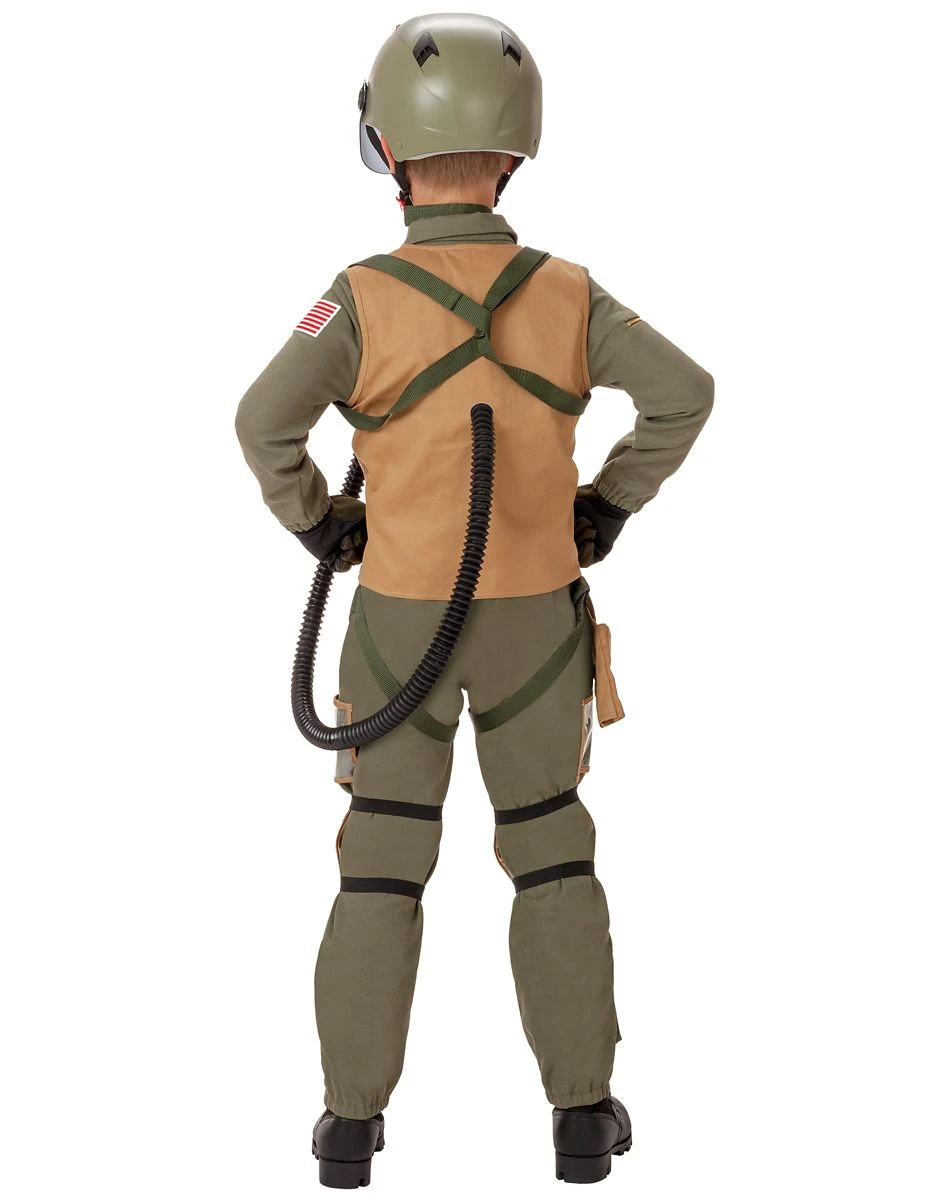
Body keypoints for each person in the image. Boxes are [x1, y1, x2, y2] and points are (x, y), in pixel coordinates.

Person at [235, 12, 713, 1188]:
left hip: (396, 623)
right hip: (535, 625)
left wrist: (318, 520)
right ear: (513, 153)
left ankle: (348, 1127)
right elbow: (684, 394)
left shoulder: (355, 299)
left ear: (386, 152)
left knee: (381, 861)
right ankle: (582, 1118)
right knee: (550, 854)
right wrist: (606, 506)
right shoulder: (569, 292)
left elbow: (260, 422)